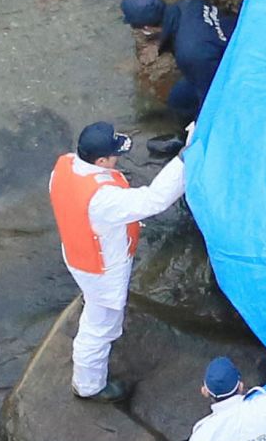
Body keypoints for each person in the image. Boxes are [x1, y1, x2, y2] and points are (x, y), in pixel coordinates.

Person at [49, 121, 189, 404]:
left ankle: (93, 308)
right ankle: (88, 385)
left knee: (97, 308)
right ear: (100, 160)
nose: (118, 158)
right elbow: (154, 200)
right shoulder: (102, 199)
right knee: (100, 328)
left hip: (78, 253)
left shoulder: (64, 165)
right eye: (114, 155)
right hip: (101, 269)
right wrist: (184, 160)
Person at [120, 0, 235, 130]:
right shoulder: (190, 3)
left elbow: (211, 97)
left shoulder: (190, 53)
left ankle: (187, 134)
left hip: (232, 67)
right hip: (232, 39)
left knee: (188, 103)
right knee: (178, 98)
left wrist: (197, 131)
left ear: (147, 28)